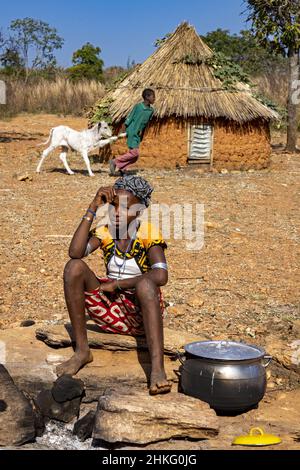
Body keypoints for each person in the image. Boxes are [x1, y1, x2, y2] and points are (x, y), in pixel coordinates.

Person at [56, 175, 171, 395]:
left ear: (138, 211)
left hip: (138, 314)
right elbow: (75, 252)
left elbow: (161, 276)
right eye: (113, 207)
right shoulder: (106, 232)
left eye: (126, 208)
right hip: (109, 310)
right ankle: (82, 351)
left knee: (147, 284)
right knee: (74, 267)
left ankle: (157, 369)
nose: (117, 213)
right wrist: (92, 207)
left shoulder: (147, 233)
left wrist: (119, 284)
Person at [109, 89, 155, 176]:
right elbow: (129, 118)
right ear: (147, 97)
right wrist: (124, 129)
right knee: (134, 153)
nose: (154, 99)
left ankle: (122, 169)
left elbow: (145, 124)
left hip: (138, 133)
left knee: (135, 157)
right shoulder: (138, 107)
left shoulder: (151, 110)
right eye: (153, 96)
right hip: (132, 131)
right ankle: (115, 161)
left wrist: (143, 134)